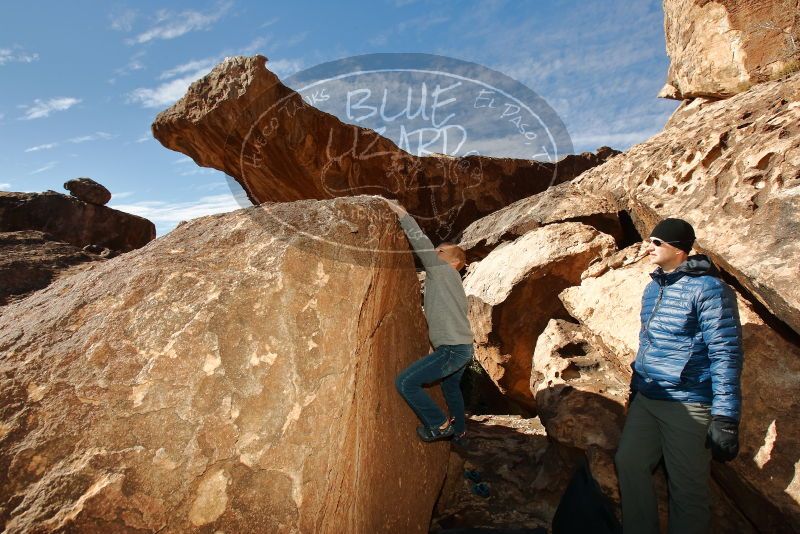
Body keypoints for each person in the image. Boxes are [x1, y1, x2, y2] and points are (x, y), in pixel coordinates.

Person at [615, 218, 743, 534]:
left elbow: (725, 352)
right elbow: (647, 341)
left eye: (657, 242)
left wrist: (726, 417)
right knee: (629, 463)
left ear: (679, 249)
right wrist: (636, 387)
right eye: (649, 240)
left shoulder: (711, 290)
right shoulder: (652, 287)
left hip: (689, 404)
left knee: (687, 490)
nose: (649, 247)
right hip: (648, 398)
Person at [384, 198, 475, 443]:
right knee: (450, 387)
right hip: (462, 347)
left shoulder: (443, 271)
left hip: (454, 350)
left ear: (455, 263)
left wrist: (403, 215)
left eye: (441, 251)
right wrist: (435, 344)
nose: (435, 252)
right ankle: (461, 430)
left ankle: (440, 425)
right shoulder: (453, 284)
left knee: (405, 382)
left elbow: (421, 243)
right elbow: (449, 315)